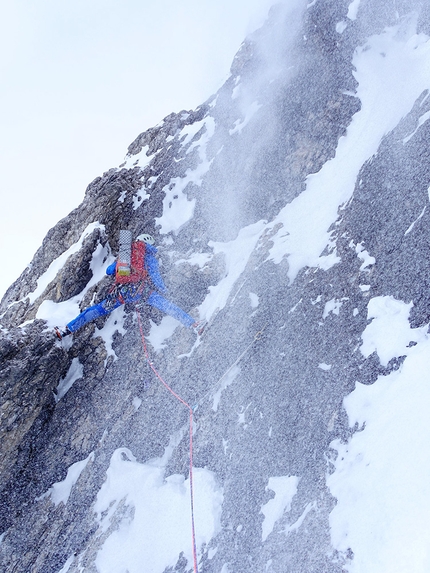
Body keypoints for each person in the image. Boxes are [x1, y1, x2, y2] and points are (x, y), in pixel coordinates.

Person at [54, 233, 199, 339]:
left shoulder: (126, 254)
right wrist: (164, 290)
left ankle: (67, 329)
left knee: (96, 310)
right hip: (142, 291)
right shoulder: (149, 256)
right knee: (168, 306)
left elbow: (109, 271)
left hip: (122, 293)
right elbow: (155, 276)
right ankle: (193, 324)